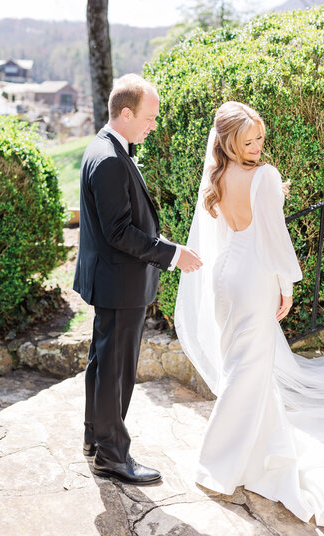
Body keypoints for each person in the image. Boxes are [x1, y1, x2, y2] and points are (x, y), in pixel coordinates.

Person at [175, 101, 324, 527]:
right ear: (230, 141)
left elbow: (231, 225)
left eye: (259, 140)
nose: (256, 147)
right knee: (246, 372)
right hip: (252, 280)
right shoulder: (265, 177)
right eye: (247, 141)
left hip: (224, 278)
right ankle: (216, 464)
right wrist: (286, 286)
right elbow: (274, 238)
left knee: (244, 365)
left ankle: (255, 454)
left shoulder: (218, 176)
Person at [73, 74, 202, 485]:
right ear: (125, 114)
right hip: (119, 282)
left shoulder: (106, 148)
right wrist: (172, 254)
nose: (153, 125)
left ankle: (96, 440)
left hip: (112, 280)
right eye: (149, 118)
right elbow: (118, 232)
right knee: (116, 370)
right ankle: (112, 455)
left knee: (102, 364)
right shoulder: (110, 159)